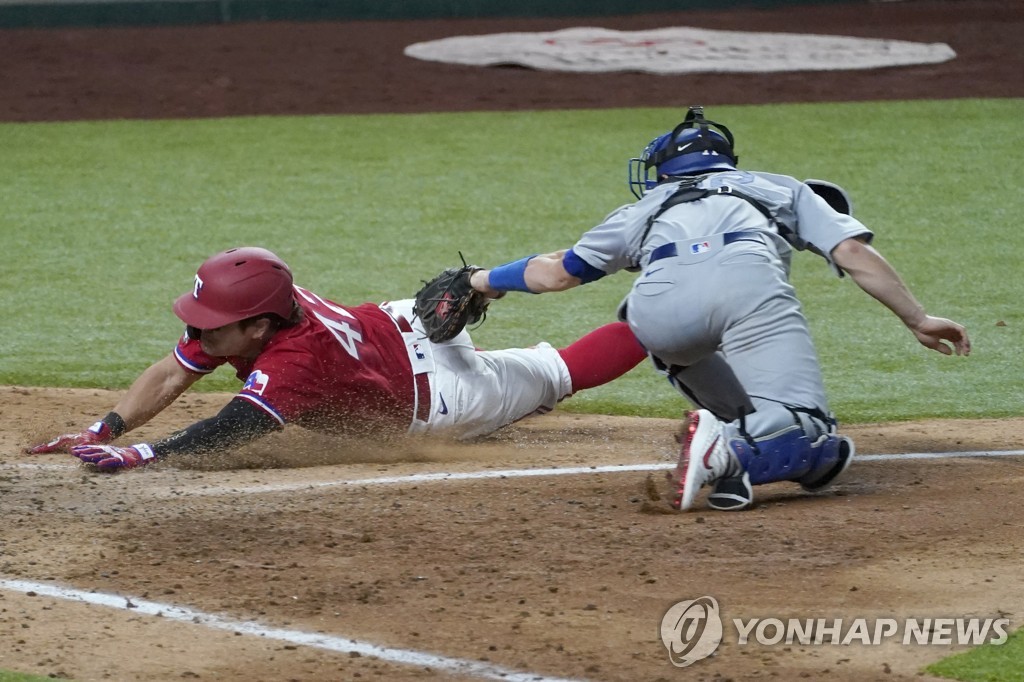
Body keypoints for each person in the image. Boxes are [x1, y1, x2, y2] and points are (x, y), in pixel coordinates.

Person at [458, 106, 971, 512]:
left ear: (664, 169)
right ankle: (725, 448)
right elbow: (852, 253)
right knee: (808, 426)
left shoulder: (639, 210)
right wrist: (917, 318)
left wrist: (482, 279)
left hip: (656, 317)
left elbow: (555, 273)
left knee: (797, 436)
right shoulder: (777, 187)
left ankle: (750, 456)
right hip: (748, 294)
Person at [26, 246, 647, 468]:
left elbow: (234, 427)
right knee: (531, 375)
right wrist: (107, 427)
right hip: (406, 319)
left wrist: (147, 452)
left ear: (260, 324)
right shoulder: (264, 303)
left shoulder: (294, 359)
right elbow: (171, 371)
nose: (200, 336)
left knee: (559, 372)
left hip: (448, 399)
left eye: (212, 327)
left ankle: (667, 320)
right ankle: (487, 287)